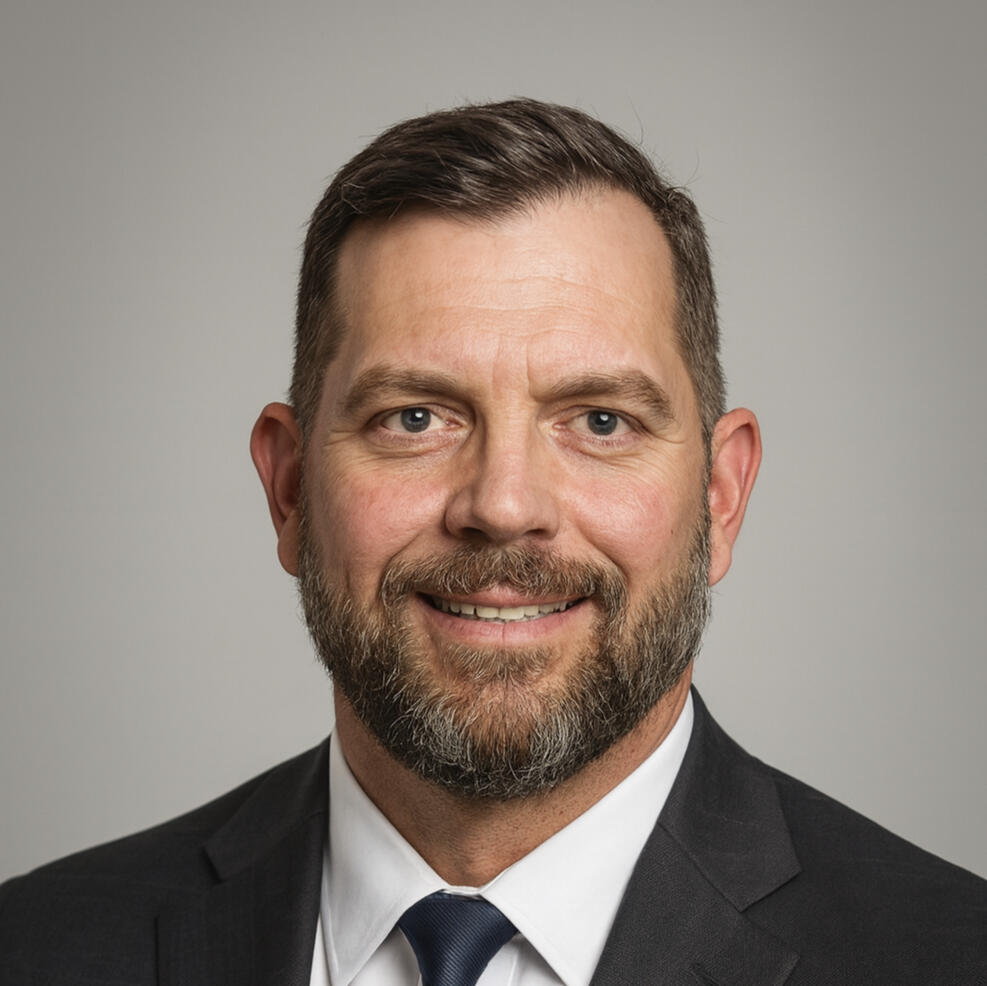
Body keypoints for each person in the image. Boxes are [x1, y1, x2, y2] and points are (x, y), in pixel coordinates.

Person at [1, 98, 984, 986]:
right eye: (414, 418)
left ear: (720, 497)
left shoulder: (946, 955)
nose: (504, 505)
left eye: (600, 421)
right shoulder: (37, 947)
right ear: (290, 487)